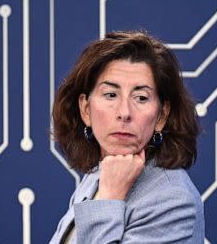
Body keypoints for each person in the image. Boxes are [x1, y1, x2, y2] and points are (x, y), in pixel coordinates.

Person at [49, 30, 204, 243]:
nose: (124, 112)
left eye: (141, 98)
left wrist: (110, 196)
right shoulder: (103, 171)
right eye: (111, 95)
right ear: (86, 110)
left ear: (161, 115)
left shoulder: (172, 199)